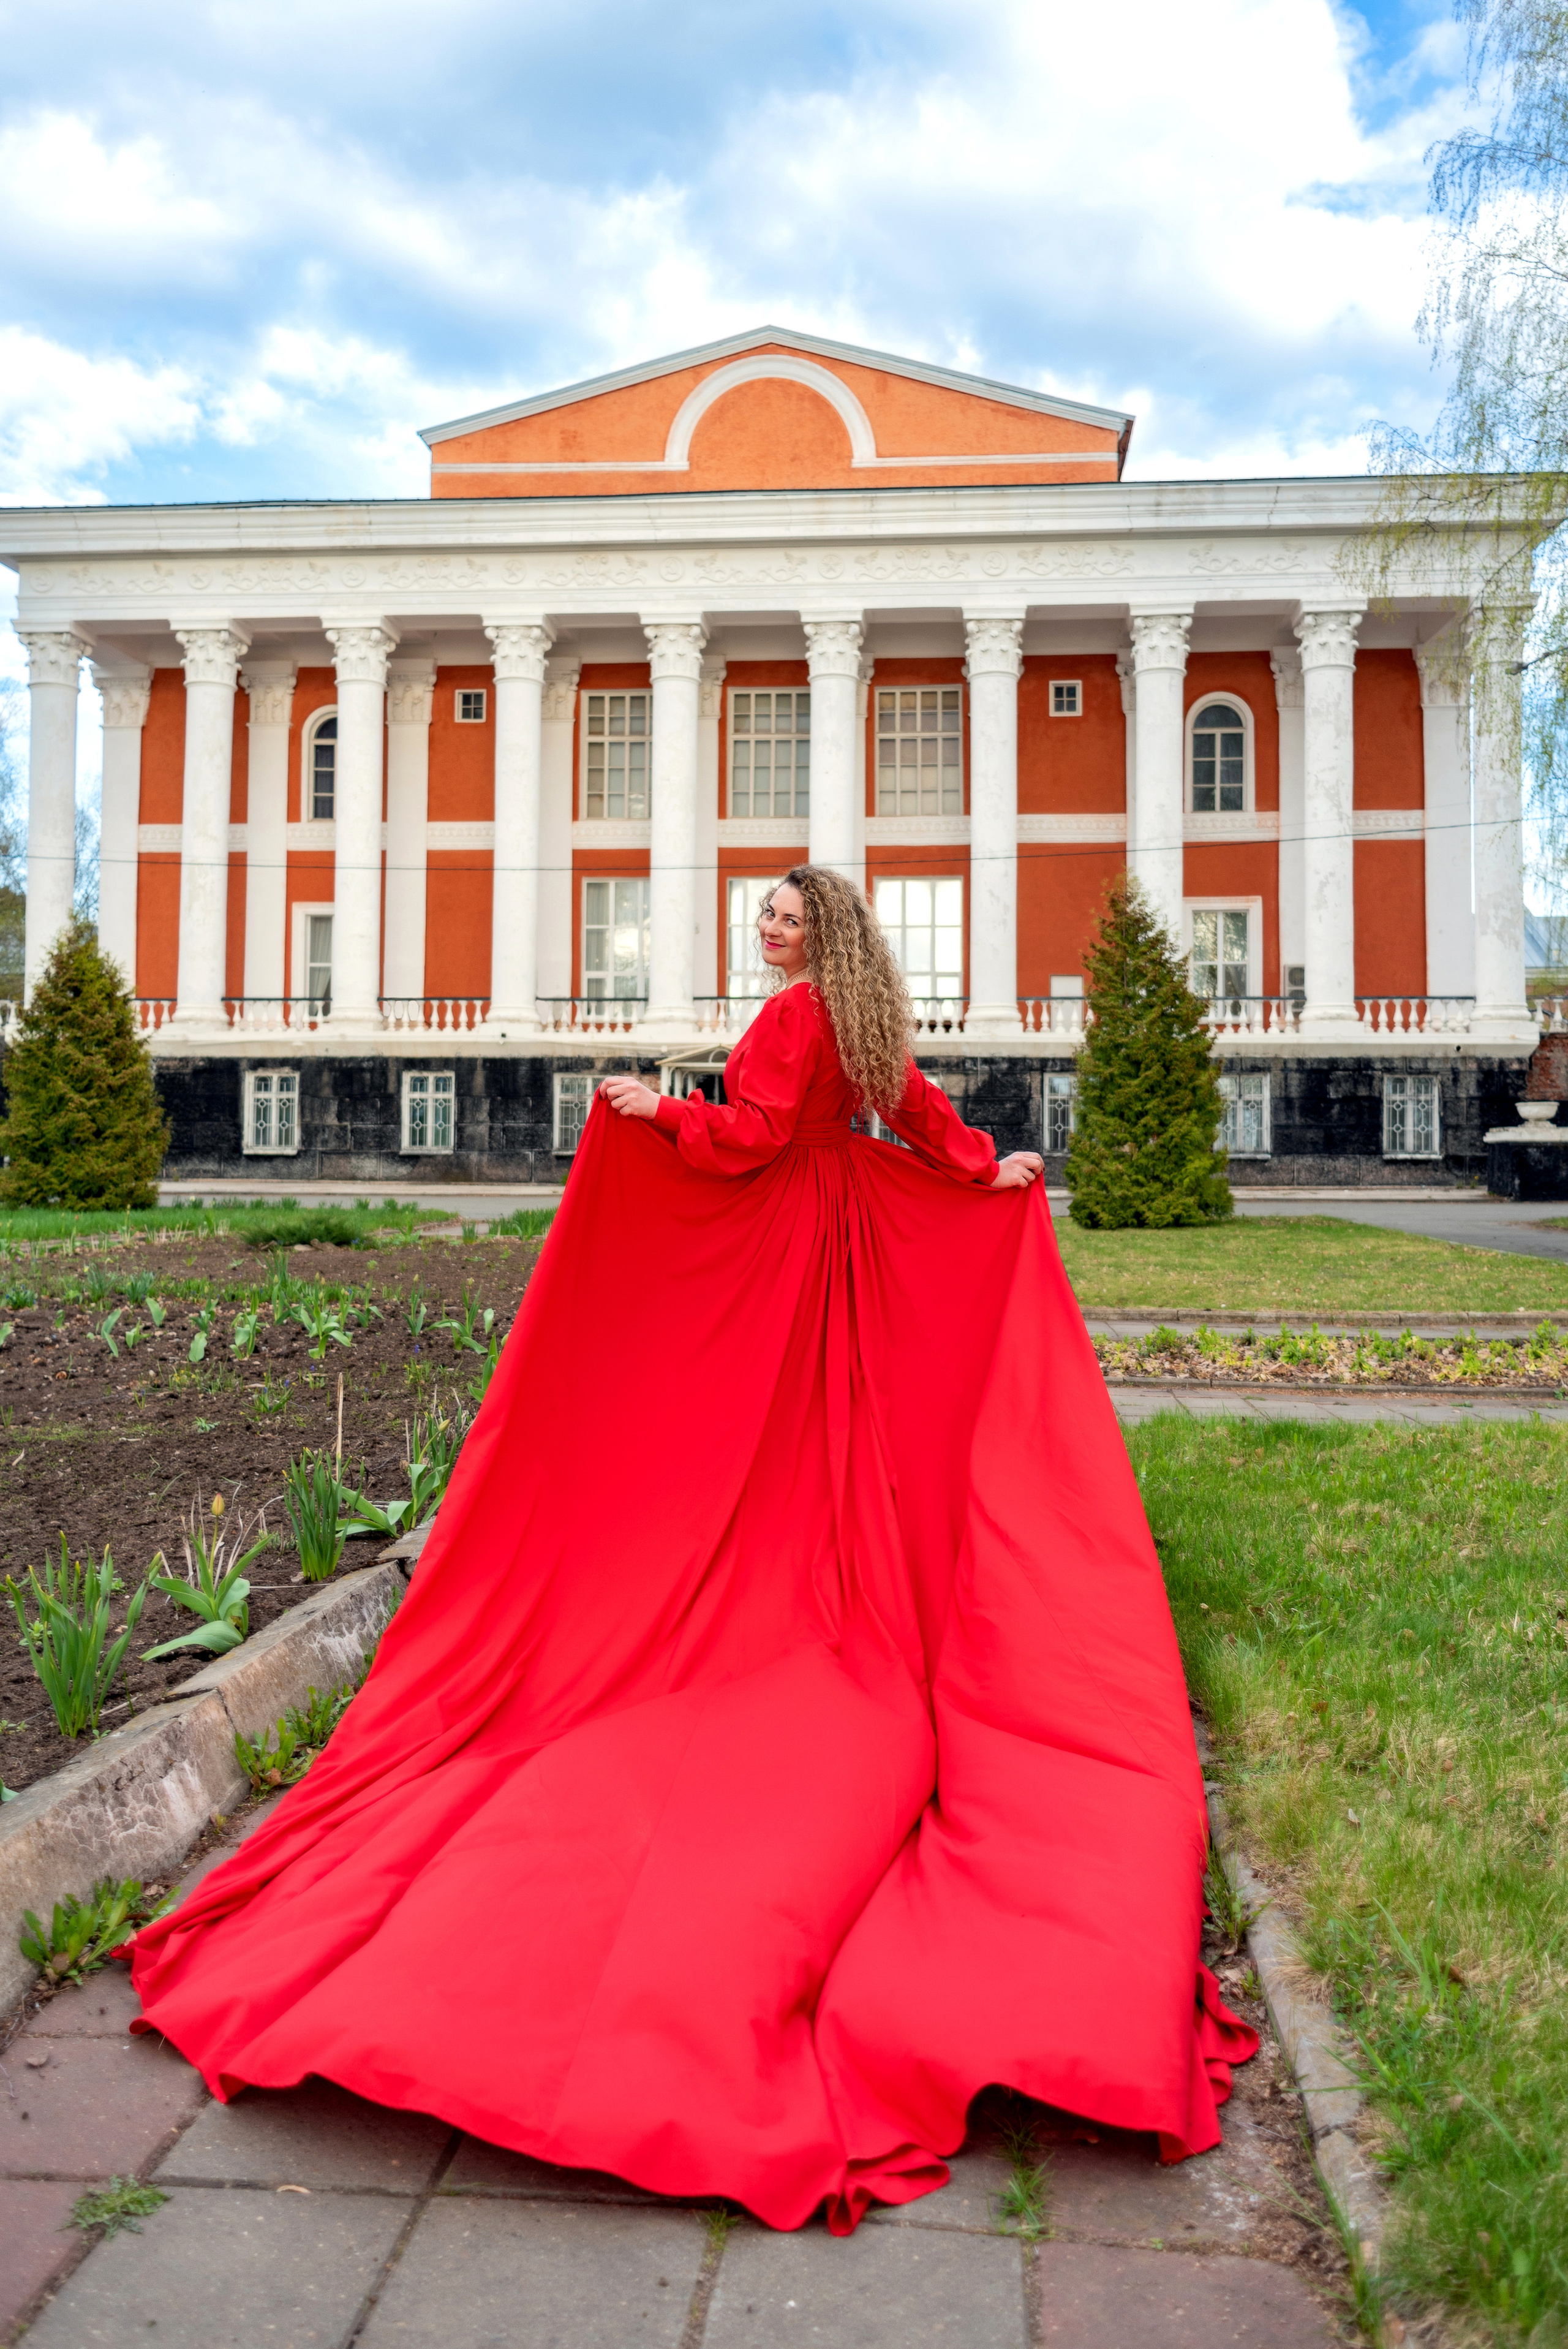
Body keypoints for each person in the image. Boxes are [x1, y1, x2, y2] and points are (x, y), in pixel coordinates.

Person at [130, 864, 1253, 2235]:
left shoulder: (791, 1022)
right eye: (764, 918)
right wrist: (983, 1170)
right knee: (842, 1438)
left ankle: (772, 1599)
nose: (767, 930)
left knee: (751, 1428)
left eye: (786, 918)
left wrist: (662, 1110)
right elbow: (917, 1114)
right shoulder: (857, 1013)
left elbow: (761, 1136)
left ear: (822, 933)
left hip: (792, 1233)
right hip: (861, 1228)